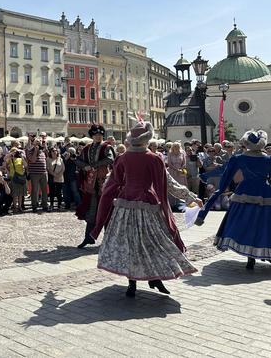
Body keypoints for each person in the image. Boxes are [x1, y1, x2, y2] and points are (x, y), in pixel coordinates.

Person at [90, 121, 199, 298]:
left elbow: (112, 183)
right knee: (154, 242)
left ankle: (133, 282)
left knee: (129, 244)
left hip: (125, 206)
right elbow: (169, 184)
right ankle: (153, 277)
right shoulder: (154, 158)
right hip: (148, 205)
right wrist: (190, 197)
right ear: (147, 139)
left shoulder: (123, 158)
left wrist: (105, 194)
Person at [196, 130, 271, 270]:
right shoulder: (268, 159)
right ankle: (256, 256)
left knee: (246, 224)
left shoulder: (239, 158)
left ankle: (251, 259)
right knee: (264, 225)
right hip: (265, 194)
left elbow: (224, 175)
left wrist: (206, 177)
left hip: (244, 192)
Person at [75, 124, 114, 248]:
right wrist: (84, 165)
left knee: (107, 211)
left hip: (104, 183)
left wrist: (94, 165)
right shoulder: (87, 148)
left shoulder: (107, 147)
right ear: (92, 136)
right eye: (96, 135)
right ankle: (89, 238)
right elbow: (78, 160)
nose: (98, 136)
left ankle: (110, 240)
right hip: (91, 184)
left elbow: (110, 159)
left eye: (100, 135)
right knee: (91, 212)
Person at [26, 133, 49, 213]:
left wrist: (44, 145)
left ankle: (45, 205)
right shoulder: (29, 150)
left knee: (44, 190)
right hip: (34, 173)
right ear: (33, 143)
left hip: (43, 173)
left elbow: (47, 156)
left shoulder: (42, 150)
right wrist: (35, 150)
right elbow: (32, 160)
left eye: (39, 142)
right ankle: (34, 206)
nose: (39, 144)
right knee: (35, 190)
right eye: (37, 142)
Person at [6, 142, 27, 213]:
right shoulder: (10, 159)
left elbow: (26, 165)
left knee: (20, 194)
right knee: (14, 194)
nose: (15, 152)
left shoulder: (20, 159)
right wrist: (10, 154)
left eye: (16, 151)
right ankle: (15, 207)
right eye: (13, 151)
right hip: (13, 177)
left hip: (20, 176)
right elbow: (5, 161)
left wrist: (22, 156)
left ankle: (20, 207)